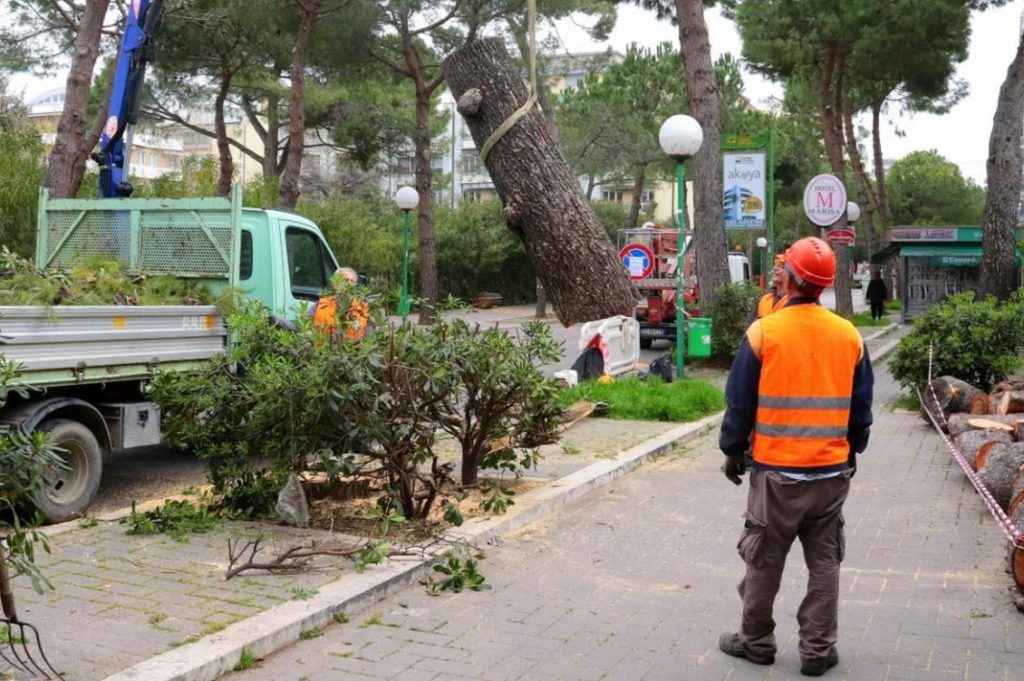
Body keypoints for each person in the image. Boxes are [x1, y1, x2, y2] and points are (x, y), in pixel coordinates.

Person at [717, 236, 874, 677]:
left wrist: (732, 451)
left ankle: (756, 642)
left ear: (792, 279)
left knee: (764, 558)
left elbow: (739, 403)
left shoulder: (764, 332)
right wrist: (853, 449)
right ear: (823, 284)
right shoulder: (849, 335)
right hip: (830, 473)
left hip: (776, 474)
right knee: (824, 563)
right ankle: (818, 651)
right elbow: (862, 408)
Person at [312, 267, 369, 340]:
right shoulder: (320, 304)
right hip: (324, 349)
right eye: (345, 280)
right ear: (335, 284)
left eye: (352, 281)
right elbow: (302, 324)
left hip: (351, 350)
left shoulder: (363, 308)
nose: (349, 283)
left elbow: (369, 338)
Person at [750, 254, 789, 323]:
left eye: (780, 266)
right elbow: (749, 326)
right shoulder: (764, 299)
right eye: (775, 265)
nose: (774, 268)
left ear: (791, 274)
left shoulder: (794, 302)